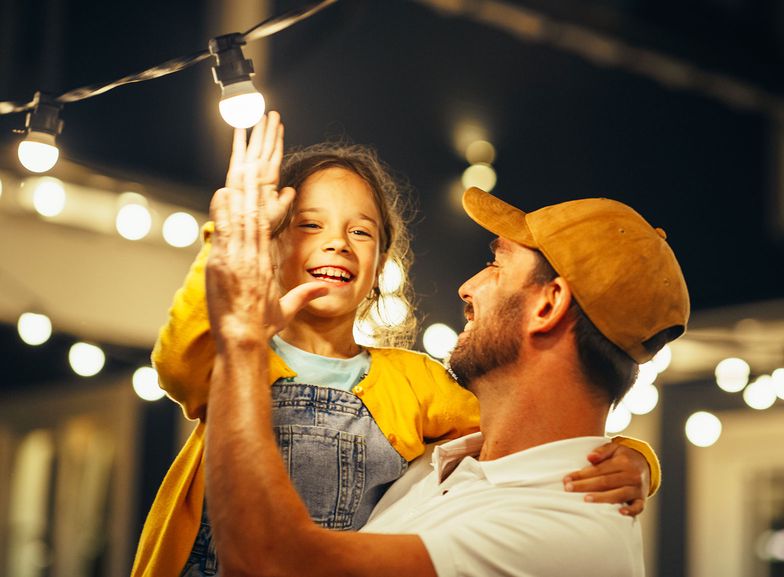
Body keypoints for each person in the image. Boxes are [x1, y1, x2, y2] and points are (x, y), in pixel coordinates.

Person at [132, 113, 661, 577]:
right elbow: (178, 361)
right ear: (273, 245)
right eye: (309, 225)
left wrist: (626, 457)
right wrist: (231, 245)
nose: (336, 241)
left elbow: (525, 424)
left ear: (382, 261)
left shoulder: (412, 384)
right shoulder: (232, 357)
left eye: (360, 232)